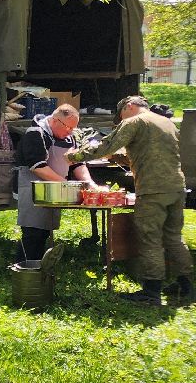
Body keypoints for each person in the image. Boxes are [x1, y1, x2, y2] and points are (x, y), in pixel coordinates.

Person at [69, 95, 192, 306]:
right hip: (176, 188)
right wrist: (118, 158)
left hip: (152, 190)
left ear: (130, 107)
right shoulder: (166, 122)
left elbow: (107, 144)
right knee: (173, 237)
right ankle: (187, 286)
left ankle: (151, 292)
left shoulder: (134, 121)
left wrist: (75, 156)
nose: (121, 119)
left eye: (121, 115)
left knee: (149, 239)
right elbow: (151, 153)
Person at [14, 103, 95, 263]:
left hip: (54, 190)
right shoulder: (35, 133)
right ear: (56, 120)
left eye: (73, 128)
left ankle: (38, 268)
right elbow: (38, 167)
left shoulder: (69, 137)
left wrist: (89, 183)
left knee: (44, 231)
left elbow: (77, 164)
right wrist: (66, 184)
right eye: (68, 127)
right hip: (32, 189)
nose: (70, 131)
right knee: (33, 232)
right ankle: (24, 270)